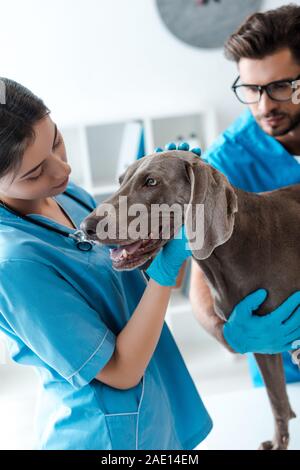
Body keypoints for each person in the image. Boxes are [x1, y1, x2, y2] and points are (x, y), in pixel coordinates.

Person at [0, 78, 299, 451]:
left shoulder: (67, 196)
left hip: (157, 410)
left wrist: (167, 192)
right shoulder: (12, 265)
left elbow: (113, 286)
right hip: (105, 437)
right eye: (35, 172)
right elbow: (120, 372)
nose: (61, 171)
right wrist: (164, 270)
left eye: (56, 142)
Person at [190, 4, 300, 385]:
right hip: (289, 371)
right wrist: (230, 335)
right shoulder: (228, 162)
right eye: (251, 89)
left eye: (281, 87)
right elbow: (202, 277)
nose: (265, 105)